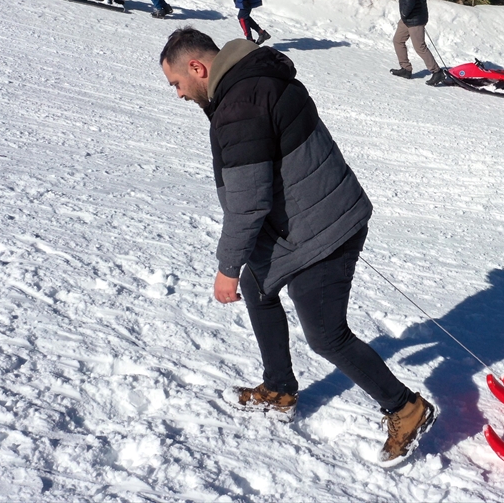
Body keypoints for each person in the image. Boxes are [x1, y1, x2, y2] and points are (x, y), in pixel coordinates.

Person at [159, 27, 436, 466]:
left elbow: (249, 202)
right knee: (259, 288)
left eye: (176, 83)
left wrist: (227, 267)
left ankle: (406, 408)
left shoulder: (239, 105)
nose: (178, 94)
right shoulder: (255, 78)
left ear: (197, 68)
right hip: (312, 216)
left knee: (325, 335)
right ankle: (281, 387)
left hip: (323, 228)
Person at [387, 0, 446, 85]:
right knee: (398, 40)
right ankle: (406, 69)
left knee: (419, 47)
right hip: (408, 18)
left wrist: (404, 13)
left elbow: (409, 1)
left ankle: (437, 72)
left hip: (414, 18)